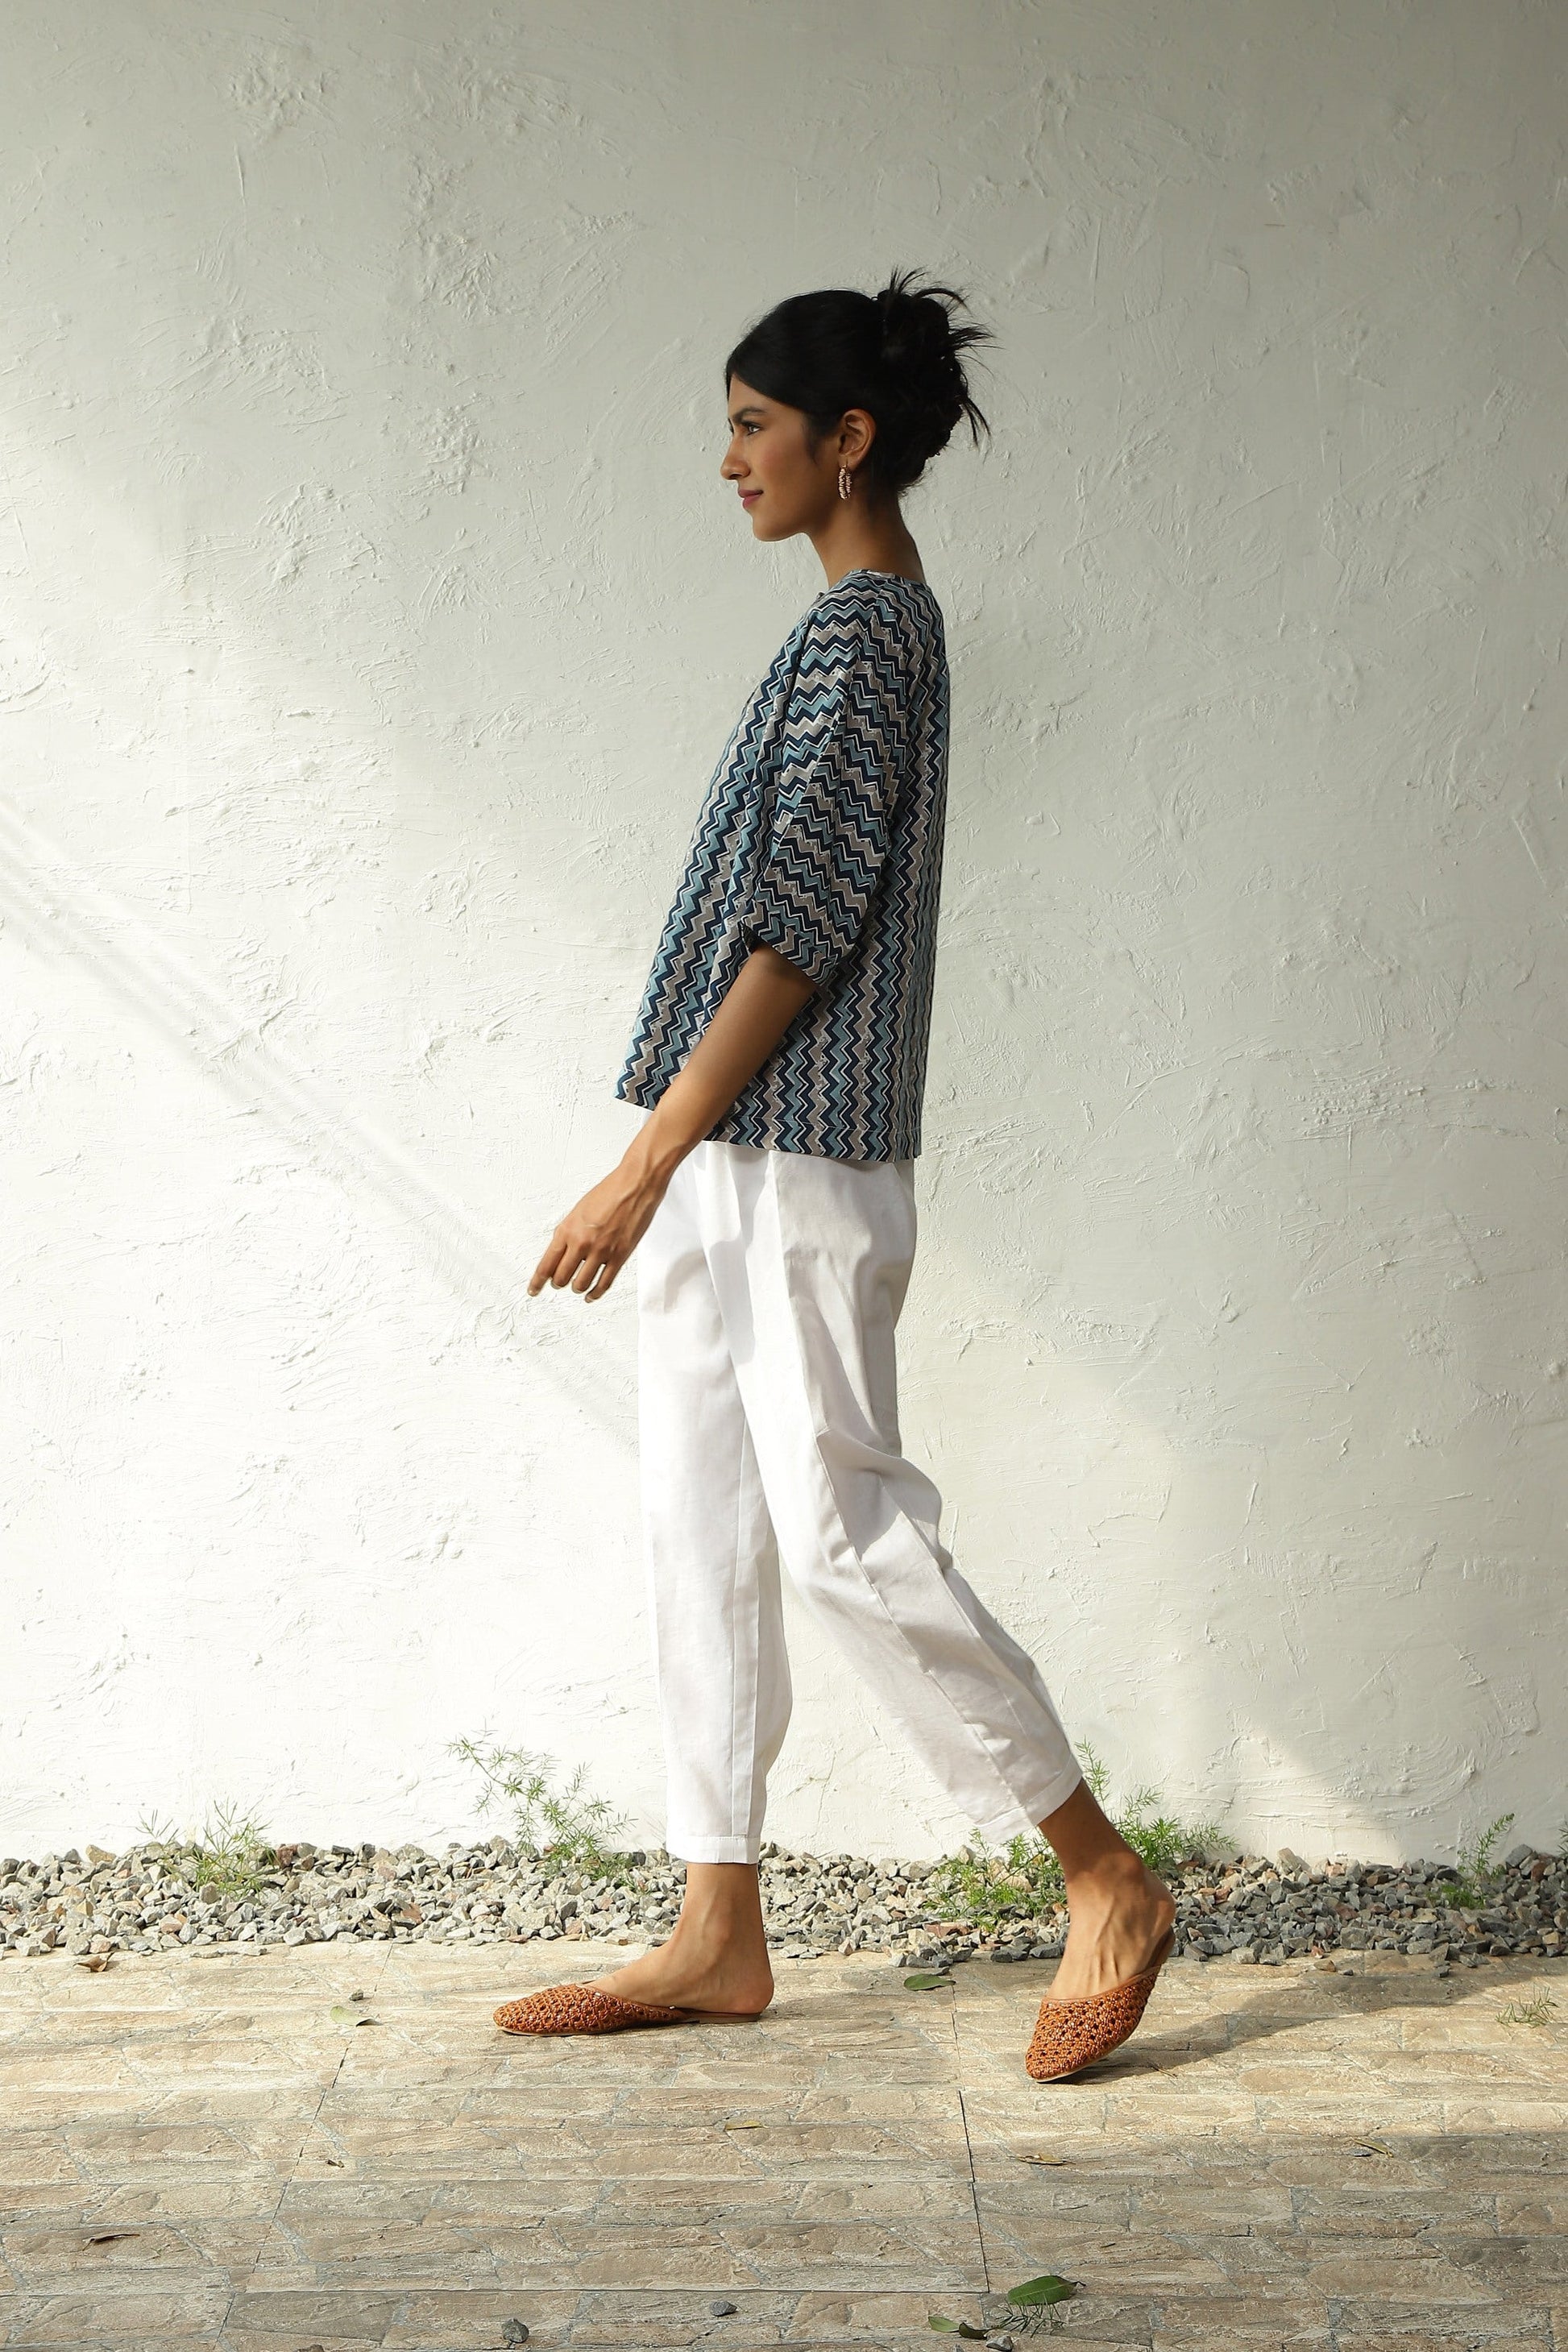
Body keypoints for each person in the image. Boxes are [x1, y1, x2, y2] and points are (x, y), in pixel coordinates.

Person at [494, 269, 1176, 2080]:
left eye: (748, 425)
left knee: (846, 1530)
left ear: (844, 440)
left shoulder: (873, 633)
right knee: (701, 1528)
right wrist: (674, 1152)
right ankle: (718, 1927)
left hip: (795, 1150)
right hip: (739, 1146)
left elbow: (802, 922)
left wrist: (641, 1159)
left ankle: (1101, 1871)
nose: (724, 460)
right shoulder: (833, 632)